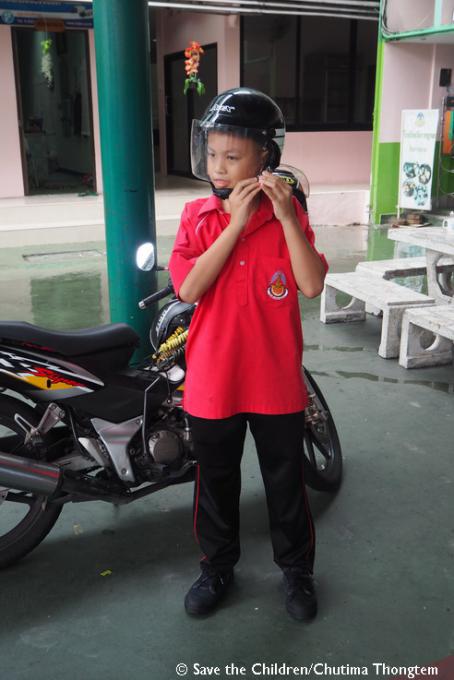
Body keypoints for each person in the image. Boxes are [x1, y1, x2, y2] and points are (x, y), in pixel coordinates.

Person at [168, 87, 328, 621]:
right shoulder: (196, 216)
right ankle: (217, 566)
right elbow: (189, 289)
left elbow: (309, 285)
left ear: (266, 157)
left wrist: (284, 217)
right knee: (216, 482)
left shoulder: (289, 218)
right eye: (212, 153)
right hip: (213, 382)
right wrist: (234, 224)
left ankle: (297, 570)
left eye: (233, 156)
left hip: (276, 381)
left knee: (287, 482)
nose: (219, 167)